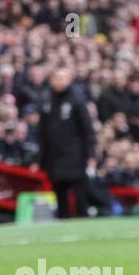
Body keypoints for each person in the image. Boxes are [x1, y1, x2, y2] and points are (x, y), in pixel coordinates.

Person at [37, 68, 97, 219]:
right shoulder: (46, 101)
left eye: (64, 78)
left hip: (75, 156)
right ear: (52, 80)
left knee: (79, 194)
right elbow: (42, 132)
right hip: (55, 157)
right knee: (59, 194)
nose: (60, 81)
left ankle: (82, 221)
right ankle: (63, 223)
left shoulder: (76, 100)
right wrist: (41, 159)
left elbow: (87, 130)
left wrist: (90, 155)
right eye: (57, 78)